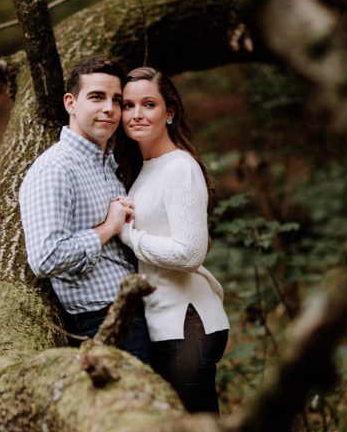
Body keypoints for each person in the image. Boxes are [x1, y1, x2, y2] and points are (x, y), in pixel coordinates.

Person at [19, 56, 152, 364]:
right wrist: (108, 227)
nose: (110, 108)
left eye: (116, 100)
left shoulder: (106, 164)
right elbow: (46, 258)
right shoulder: (55, 169)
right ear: (71, 103)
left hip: (132, 309)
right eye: (97, 97)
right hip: (101, 319)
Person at [116, 66, 229, 413]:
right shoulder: (147, 168)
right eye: (128, 105)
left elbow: (189, 253)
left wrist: (128, 234)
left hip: (187, 320)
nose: (136, 114)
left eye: (148, 104)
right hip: (164, 321)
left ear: (170, 111)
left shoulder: (179, 167)